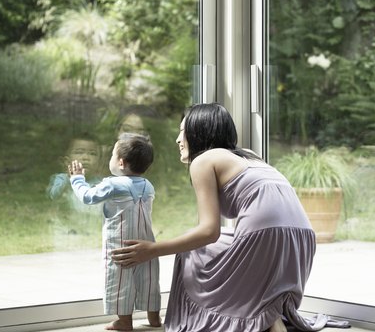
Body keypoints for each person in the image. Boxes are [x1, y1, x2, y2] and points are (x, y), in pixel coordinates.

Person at [110, 103, 349, 332]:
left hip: (264, 236)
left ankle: (250, 317)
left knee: (192, 249)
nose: (178, 140)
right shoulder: (250, 156)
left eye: (182, 132)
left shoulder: (203, 161)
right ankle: (268, 315)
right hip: (302, 241)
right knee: (218, 241)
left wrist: (152, 250)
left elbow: (208, 231)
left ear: (199, 132)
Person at [68, 133, 161, 331]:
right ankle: (154, 319)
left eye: (111, 155)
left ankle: (124, 321)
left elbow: (88, 197)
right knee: (149, 279)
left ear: (120, 162)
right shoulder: (149, 186)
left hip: (121, 246)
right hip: (147, 245)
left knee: (120, 281)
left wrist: (77, 179)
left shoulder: (113, 184)